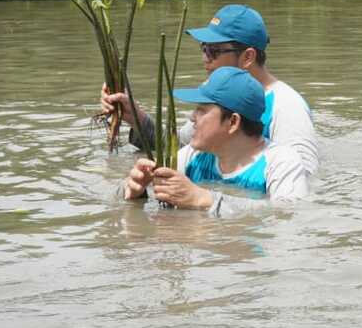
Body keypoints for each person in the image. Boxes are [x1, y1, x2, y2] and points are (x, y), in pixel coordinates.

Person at [102, 4, 319, 176]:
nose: (205, 59)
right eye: (203, 49)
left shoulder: (287, 107)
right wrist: (134, 117)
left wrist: (210, 201)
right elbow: (176, 148)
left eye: (214, 51)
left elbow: (302, 181)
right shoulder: (214, 98)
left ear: (248, 57)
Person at [120, 66, 309, 216]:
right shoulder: (192, 155)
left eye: (202, 110)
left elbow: (288, 212)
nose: (192, 117)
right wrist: (136, 190)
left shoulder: (282, 162)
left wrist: (205, 199)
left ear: (233, 122)